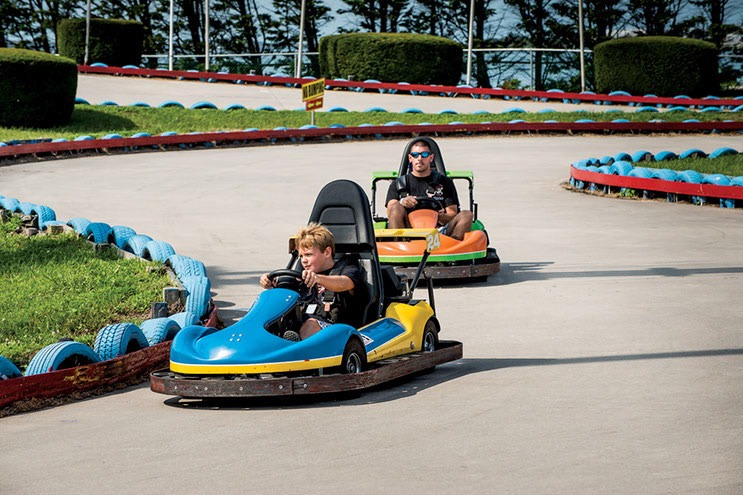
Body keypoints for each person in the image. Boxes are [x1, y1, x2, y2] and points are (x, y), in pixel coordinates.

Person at [260, 223, 365, 340]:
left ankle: (297, 351)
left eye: (308, 255)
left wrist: (318, 278)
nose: (303, 261)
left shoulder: (347, 269)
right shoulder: (300, 277)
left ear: (327, 252)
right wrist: (271, 282)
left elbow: (344, 283)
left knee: (311, 324)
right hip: (300, 325)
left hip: (335, 328)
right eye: (301, 256)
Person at [385, 139, 473, 240]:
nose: (419, 158)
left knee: (467, 214)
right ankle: (399, 244)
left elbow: (452, 213)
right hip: (408, 230)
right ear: (410, 158)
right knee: (396, 207)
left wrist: (440, 216)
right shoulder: (398, 184)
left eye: (424, 154)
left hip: (439, 232)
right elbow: (390, 210)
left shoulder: (445, 182)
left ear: (431, 158)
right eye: (415, 155)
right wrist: (402, 202)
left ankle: (453, 247)